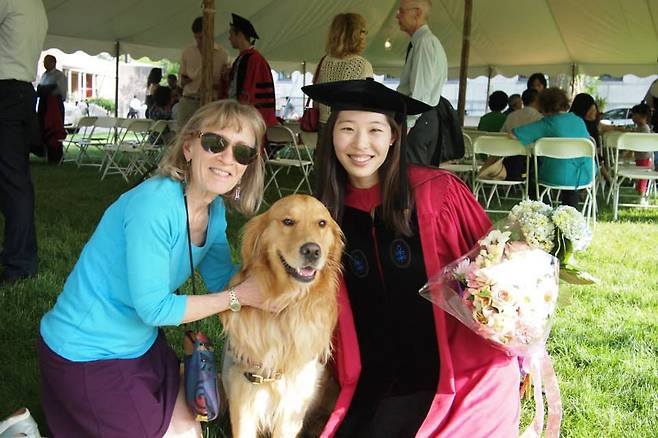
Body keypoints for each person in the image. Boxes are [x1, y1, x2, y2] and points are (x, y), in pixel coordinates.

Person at [38, 100, 278, 437]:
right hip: (86, 351)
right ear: (189, 147)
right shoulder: (154, 205)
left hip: (140, 344)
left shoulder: (215, 212)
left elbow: (222, 279)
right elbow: (154, 308)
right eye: (215, 143)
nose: (227, 158)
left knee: (193, 427)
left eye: (242, 152)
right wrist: (240, 297)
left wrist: (277, 281)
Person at [302, 79, 520, 437]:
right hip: (373, 373)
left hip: (453, 367)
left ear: (393, 136)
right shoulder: (322, 213)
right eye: (347, 129)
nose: (360, 144)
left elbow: (491, 268)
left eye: (375, 129)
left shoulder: (438, 193)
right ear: (331, 137)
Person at [0, 0, 47, 284]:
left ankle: (20, 262)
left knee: (13, 182)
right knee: (13, 179)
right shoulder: (36, 5)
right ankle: (18, 255)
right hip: (18, 91)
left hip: (6, 90)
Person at [512, 87, 593, 208]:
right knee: (570, 178)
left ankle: (545, 211)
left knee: (533, 179)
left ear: (543, 106)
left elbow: (514, 134)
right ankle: (571, 215)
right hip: (583, 175)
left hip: (554, 175)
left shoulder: (546, 123)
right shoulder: (578, 121)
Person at [396, 0, 449, 166]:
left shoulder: (424, 43)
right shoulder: (424, 42)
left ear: (417, 13)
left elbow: (421, 91)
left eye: (401, 11)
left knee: (414, 175)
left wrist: (408, 125)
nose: (397, 16)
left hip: (419, 118)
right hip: (423, 117)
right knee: (416, 174)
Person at [315, 13, 373, 148]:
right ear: (355, 34)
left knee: (324, 166)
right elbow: (368, 102)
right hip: (348, 126)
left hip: (324, 123)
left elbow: (316, 97)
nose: (365, 35)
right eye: (363, 31)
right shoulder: (362, 65)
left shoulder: (325, 61)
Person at [178, 17, 229, 129]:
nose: (199, 41)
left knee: (208, 138)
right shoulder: (188, 52)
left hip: (212, 102)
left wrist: (216, 85)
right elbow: (180, 82)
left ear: (209, 34)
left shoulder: (222, 54)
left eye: (201, 37)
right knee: (183, 136)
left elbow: (226, 83)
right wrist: (185, 81)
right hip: (190, 100)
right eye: (196, 38)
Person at [227, 14, 278, 127]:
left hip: (248, 119)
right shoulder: (241, 58)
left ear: (239, 35)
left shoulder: (256, 60)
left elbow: (255, 94)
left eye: (231, 34)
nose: (229, 38)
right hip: (238, 115)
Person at [627, 103, 652, 204]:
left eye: (634, 115)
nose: (632, 118)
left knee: (643, 177)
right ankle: (640, 194)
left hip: (645, 157)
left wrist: (630, 151)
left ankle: (642, 196)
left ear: (643, 116)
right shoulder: (639, 128)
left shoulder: (645, 128)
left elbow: (638, 143)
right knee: (640, 176)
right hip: (639, 157)